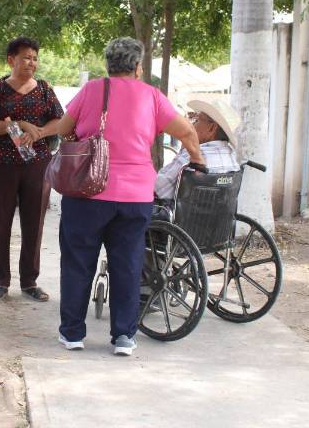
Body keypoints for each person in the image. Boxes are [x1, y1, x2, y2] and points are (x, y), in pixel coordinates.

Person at [50, 37, 203, 356]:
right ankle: (123, 336)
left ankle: (73, 334)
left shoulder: (92, 89)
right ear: (137, 66)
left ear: (108, 65)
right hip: (135, 196)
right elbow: (187, 132)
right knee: (129, 264)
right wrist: (198, 160)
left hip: (87, 191)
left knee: (78, 261)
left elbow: (64, 128)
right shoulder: (152, 96)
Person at [0, 37, 64, 302]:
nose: (31, 62)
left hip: (37, 164)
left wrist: (39, 133)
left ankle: (30, 282)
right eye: (26, 57)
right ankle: (0, 281)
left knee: (34, 222)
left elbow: (59, 121)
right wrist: (18, 125)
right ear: (11, 60)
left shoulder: (45, 89)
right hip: (1, 164)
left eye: (35, 58)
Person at [155, 98, 240, 203]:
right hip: (216, 213)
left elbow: (157, 189)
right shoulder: (232, 158)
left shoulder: (192, 156)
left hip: (181, 213)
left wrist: (184, 150)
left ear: (212, 128)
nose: (192, 125)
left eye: (197, 120)